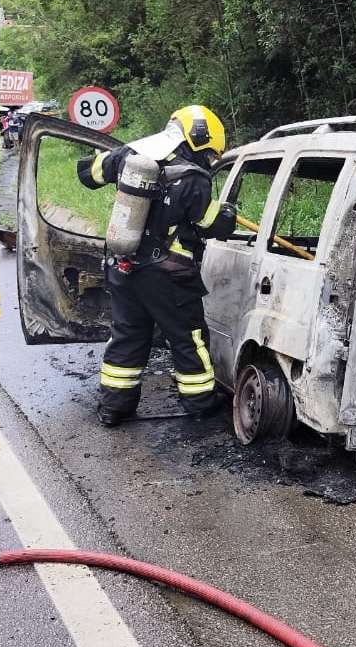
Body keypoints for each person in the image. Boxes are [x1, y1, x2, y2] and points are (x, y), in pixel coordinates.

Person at [76, 105, 236, 425]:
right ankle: (201, 404)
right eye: (210, 153)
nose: (209, 160)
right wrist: (228, 215)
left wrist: (117, 157)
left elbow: (86, 172)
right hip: (168, 276)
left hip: (123, 267)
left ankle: (114, 407)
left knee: (128, 335)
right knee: (187, 337)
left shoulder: (130, 157)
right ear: (201, 140)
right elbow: (207, 223)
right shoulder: (193, 178)